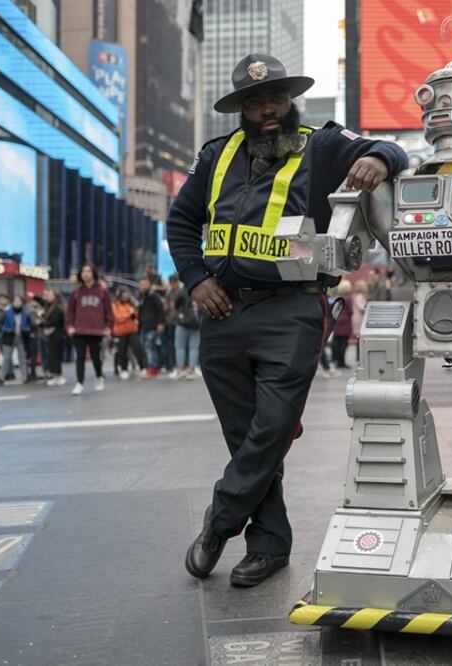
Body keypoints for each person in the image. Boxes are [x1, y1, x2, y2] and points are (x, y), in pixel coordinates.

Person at [167, 53, 407, 587]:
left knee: (273, 427)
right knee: (245, 436)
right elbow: (181, 221)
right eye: (255, 102)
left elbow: (389, 146)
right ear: (242, 110)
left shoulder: (321, 145)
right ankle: (270, 545)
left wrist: (382, 162)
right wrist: (195, 280)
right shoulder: (215, 156)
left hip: (293, 309)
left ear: (289, 100)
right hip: (222, 309)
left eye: (276, 98)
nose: (268, 110)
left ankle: (219, 521)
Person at [66, 264, 113, 395]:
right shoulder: (76, 293)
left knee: (96, 357)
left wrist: (108, 327)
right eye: (83, 272)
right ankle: (79, 383)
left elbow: (109, 311)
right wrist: (69, 326)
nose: (85, 274)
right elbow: (70, 312)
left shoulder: (102, 291)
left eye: (88, 271)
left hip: (96, 330)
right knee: (79, 357)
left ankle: (99, 377)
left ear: (93, 273)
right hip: (79, 330)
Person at [111, 287, 147, 380]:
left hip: (132, 331)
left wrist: (135, 311)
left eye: (127, 293)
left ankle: (143, 368)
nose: (125, 295)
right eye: (124, 293)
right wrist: (128, 315)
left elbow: (136, 316)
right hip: (120, 332)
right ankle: (124, 369)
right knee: (122, 352)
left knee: (138, 349)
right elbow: (117, 317)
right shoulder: (115, 305)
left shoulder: (131, 304)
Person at [0, 296, 33, 384]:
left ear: (22, 303)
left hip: (21, 337)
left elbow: (30, 325)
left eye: (19, 301)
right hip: (9, 337)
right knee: (6, 358)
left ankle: (25, 377)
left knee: (22, 359)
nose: (17, 303)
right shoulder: (6, 313)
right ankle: (1, 377)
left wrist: (25, 329)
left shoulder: (26, 313)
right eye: (16, 301)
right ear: (12, 303)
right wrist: (6, 330)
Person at [137, 276, 166, 378]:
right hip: (143, 327)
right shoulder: (141, 297)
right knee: (144, 348)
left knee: (150, 347)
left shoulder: (154, 296)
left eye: (145, 284)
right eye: (141, 284)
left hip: (153, 326)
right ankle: (148, 367)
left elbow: (160, 310)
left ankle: (153, 369)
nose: (143, 286)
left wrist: (160, 323)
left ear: (149, 284)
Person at [173, 285, 202, 380]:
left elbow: (176, 305)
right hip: (196, 324)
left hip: (183, 323)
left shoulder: (183, 291)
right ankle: (191, 370)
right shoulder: (201, 290)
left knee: (180, 347)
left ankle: (180, 369)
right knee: (194, 348)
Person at [39, 289, 67, 386]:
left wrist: (42, 322)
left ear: (56, 297)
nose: (48, 297)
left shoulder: (58, 308)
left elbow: (54, 321)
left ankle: (59, 376)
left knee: (55, 357)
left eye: (51, 295)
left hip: (58, 335)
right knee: (52, 356)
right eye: (48, 295)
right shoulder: (49, 306)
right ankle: (55, 376)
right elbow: (41, 302)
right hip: (52, 335)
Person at [163, 274, 183, 378]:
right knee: (172, 345)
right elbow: (165, 307)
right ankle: (173, 365)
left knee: (182, 346)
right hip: (170, 322)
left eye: (174, 282)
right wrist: (167, 307)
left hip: (182, 321)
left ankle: (184, 366)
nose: (173, 285)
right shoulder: (169, 293)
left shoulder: (183, 292)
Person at [330, 280, 353, 369]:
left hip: (337, 320)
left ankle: (336, 360)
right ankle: (342, 362)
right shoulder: (349, 298)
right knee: (344, 344)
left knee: (336, 342)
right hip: (346, 323)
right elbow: (351, 311)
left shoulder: (338, 297)